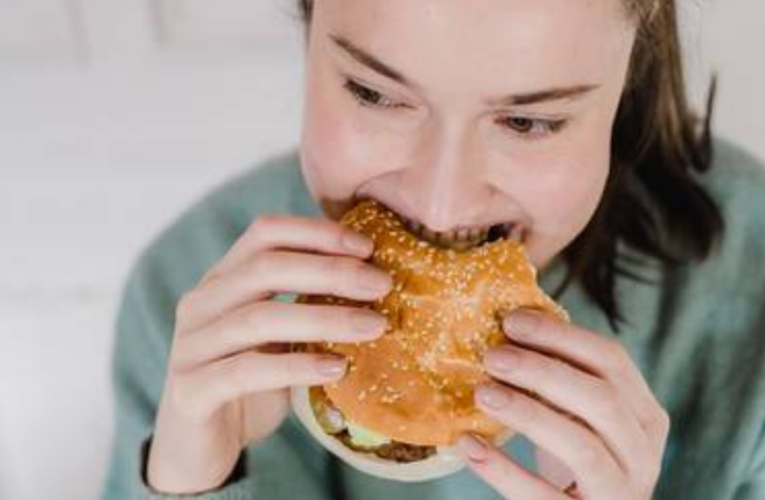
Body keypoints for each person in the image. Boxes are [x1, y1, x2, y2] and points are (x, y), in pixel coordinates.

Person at [101, 0, 765, 499]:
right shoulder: (189, 296)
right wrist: (190, 484)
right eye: (374, 93)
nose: (442, 206)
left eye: (529, 121)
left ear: (627, 84)